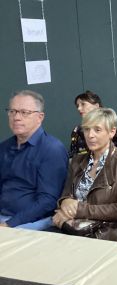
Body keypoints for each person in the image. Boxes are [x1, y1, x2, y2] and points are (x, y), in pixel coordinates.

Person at [52, 108, 117, 241]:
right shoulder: (77, 160)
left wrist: (79, 210)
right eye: (87, 129)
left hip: (106, 231)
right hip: (73, 226)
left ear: (112, 132)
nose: (90, 135)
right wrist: (65, 202)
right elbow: (66, 194)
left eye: (97, 130)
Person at [0, 90, 68, 229]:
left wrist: (8, 224)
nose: (16, 117)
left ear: (40, 117)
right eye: (12, 111)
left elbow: (47, 201)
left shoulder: (52, 149)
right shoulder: (4, 147)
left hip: (32, 221)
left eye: (24, 112)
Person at [70, 90, 117, 158]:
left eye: (83, 104)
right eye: (77, 106)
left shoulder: (109, 126)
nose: (79, 108)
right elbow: (73, 154)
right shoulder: (76, 130)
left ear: (96, 106)